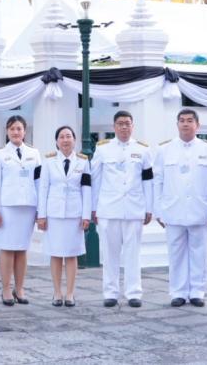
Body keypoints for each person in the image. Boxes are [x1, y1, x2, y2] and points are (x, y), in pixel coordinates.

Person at [155, 109, 207, 307]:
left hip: (201, 210)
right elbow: (158, 181)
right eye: (182, 120)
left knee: (200, 254)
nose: (185, 124)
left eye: (190, 121)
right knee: (176, 254)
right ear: (177, 125)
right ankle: (178, 292)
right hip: (173, 210)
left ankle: (197, 292)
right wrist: (158, 210)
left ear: (197, 125)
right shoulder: (164, 149)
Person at [91, 110, 154, 308]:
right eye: (120, 123)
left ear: (132, 126)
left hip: (134, 208)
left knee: (133, 253)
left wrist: (149, 208)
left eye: (127, 123)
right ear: (114, 126)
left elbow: (148, 181)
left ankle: (134, 293)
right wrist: (94, 208)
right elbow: (95, 179)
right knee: (110, 254)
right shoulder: (103, 148)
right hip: (109, 209)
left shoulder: (143, 149)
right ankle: (110, 292)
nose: (124, 127)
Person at [37, 125, 91, 307]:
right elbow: (43, 188)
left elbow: (86, 189)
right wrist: (41, 215)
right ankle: (57, 292)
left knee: (71, 254)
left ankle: (70, 293)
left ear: (74, 140)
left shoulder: (83, 161)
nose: (65, 140)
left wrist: (86, 216)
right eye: (62, 137)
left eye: (69, 136)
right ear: (56, 141)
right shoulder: (48, 161)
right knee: (55, 253)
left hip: (74, 214)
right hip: (54, 214)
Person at [0, 115, 41, 306]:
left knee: (22, 249)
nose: (16, 132)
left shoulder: (34, 153)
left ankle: (19, 288)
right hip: (7, 207)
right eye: (12, 129)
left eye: (19, 128)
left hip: (28, 207)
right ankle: (6, 289)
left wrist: (40, 209)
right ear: (7, 131)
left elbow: (39, 182)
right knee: (7, 248)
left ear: (24, 131)